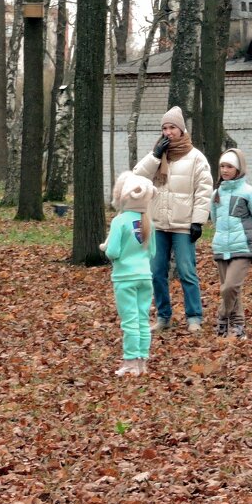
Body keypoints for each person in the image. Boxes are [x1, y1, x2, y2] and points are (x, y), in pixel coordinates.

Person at [133, 107, 212, 333]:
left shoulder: (196, 157)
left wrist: (198, 221)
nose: (168, 132)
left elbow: (204, 190)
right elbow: (137, 176)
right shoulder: (157, 156)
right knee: (156, 272)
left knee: (187, 271)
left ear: (181, 129)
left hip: (184, 225)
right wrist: (155, 155)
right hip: (158, 223)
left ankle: (194, 317)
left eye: (172, 128)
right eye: (165, 128)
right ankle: (163, 316)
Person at [101, 172, 157, 376]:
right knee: (143, 319)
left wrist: (109, 253)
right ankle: (142, 361)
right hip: (144, 276)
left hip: (125, 278)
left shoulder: (120, 221)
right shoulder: (149, 222)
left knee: (130, 321)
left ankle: (130, 361)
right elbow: (153, 252)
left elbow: (113, 251)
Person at [209, 149, 252, 339]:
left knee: (230, 287)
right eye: (222, 166)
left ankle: (222, 317)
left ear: (238, 168)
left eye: (229, 166)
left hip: (243, 247)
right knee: (232, 290)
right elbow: (215, 219)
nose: (225, 170)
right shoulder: (216, 193)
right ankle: (238, 325)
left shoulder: (250, 193)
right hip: (222, 247)